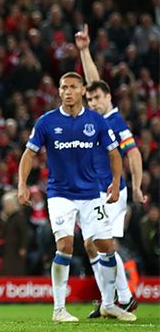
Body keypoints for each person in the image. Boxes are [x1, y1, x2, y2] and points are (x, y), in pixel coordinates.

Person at [17, 71, 136, 322]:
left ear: (82, 90)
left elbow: (115, 154)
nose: (67, 91)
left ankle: (109, 304)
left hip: (92, 194)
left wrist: (115, 183)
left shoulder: (97, 121)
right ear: (59, 91)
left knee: (107, 246)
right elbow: (29, 154)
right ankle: (59, 309)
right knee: (65, 245)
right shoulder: (46, 122)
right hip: (60, 195)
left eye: (73, 87)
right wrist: (22, 184)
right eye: (63, 87)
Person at [76, 25, 145, 316]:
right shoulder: (96, 118)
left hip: (113, 192)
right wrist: (83, 50)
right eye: (89, 100)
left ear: (109, 99)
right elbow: (93, 83)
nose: (92, 102)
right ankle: (109, 302)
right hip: (95, 190)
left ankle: (122, 297)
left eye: (97, 99)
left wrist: (138, 187)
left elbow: (134, 154)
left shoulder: (115, 122)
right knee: (92, 244)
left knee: (102, 242)